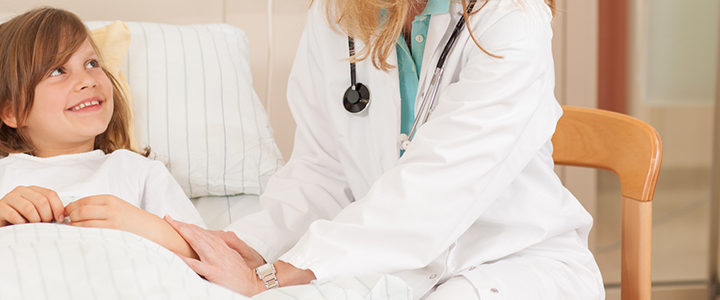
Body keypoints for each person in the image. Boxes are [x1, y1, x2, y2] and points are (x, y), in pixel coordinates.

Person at [165, 0, 605, 299]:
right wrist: (251, 246)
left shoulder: (510, 20)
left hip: (511, 261)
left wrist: (274, 277)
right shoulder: (338, 12)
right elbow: (322, 171)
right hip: (396, 267)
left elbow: (436, 190)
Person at [0, 7, 205, 289]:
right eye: (58, 70)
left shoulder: (137, 172)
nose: (87, 79)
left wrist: (140, 225)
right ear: (13, 111)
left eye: (91, 63)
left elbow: (216, 259)